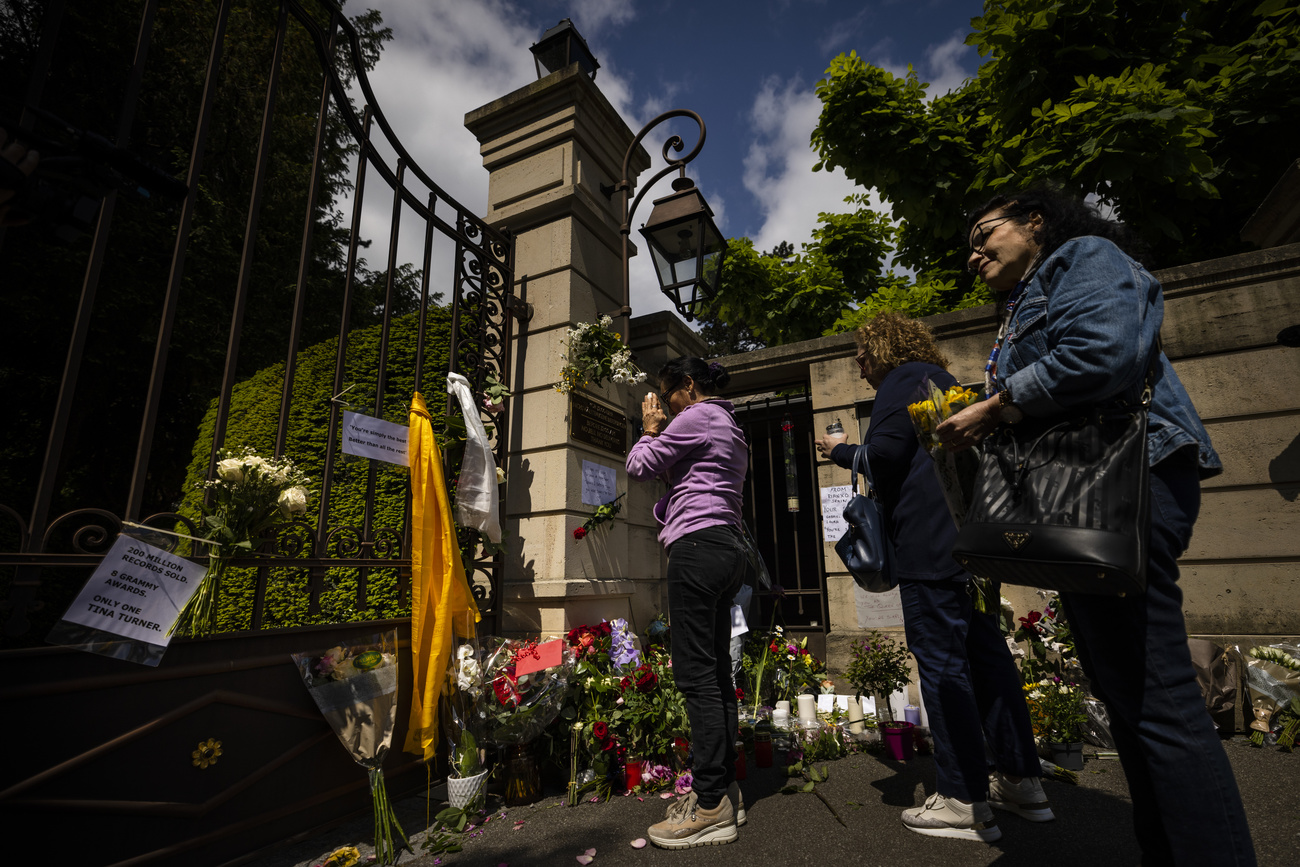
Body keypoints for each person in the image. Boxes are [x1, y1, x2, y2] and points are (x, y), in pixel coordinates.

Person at [937, 184, 1256, 865]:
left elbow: (1102, 354)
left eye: (983, 234)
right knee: (1130, 698)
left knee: (1158, 699)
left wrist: (995, 407)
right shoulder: (1024, 301)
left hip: (1126, 485)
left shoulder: (1083, 255)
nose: (973, 255)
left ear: (1035, 221)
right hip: (1088, 501)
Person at [815, 312, 1044, 843]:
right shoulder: (939, 380)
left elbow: (885, 457)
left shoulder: (900, 381)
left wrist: (839, 451)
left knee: (942, 664)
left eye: (863, 354)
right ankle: (1020, 779)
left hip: (927, 545)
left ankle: (963, 798)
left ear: (883, 350)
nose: (859, 363)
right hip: (967, 542)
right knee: (987, 656)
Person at [626, 357, 749, 849]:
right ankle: (724, 789)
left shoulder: (694, 417)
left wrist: (649, 428)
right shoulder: (729, 424)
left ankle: (710, 804)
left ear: (688, 387)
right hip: (727, 546)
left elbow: (639, 467)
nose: (667, 404)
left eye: (668, 393)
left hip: (697, 550)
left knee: (696, 674)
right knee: (717, 671)